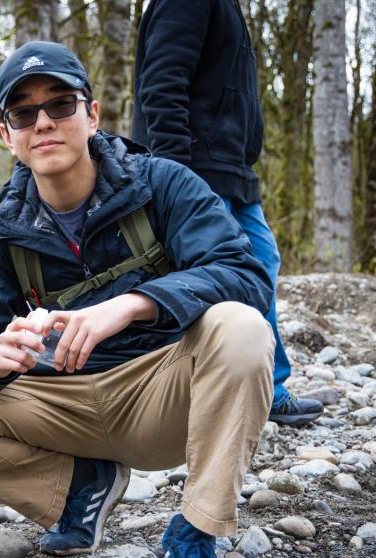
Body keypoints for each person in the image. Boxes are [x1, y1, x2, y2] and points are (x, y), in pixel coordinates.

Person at [0, 41, 275, 558]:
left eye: (60, 104)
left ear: (92, 114)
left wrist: (135, 303)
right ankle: (80, 489)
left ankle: (196, 535)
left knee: (241, 327)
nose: (43, 122)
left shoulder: (163, 184)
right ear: (7, 136)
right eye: (23, 113)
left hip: (163, 395)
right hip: (61, 408)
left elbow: (245, 275)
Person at [131, 0, 322, 426]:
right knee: (212, 278)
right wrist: (174, 178)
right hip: (199, 170)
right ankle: (194, 394)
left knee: (260, 263)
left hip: (231, 169)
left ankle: (266, 388)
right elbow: (162, 85)